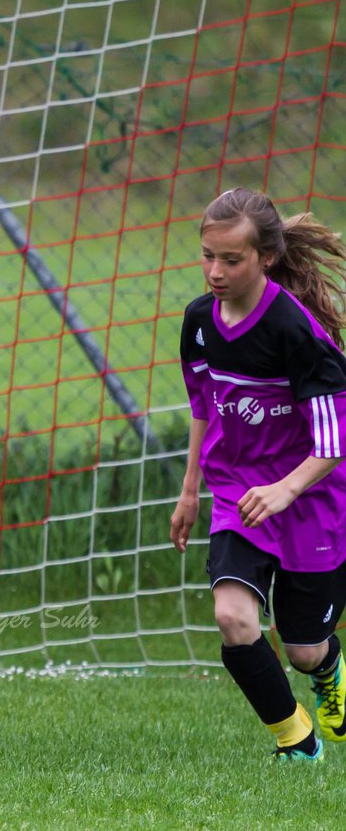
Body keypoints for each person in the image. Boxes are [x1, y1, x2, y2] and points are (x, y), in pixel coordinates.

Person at [171, 186, 346, 762]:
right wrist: (191, 488)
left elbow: (333, 442)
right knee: (232, 616)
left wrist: (284, 490)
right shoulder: (199, 323)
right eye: (207, 256)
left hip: (310, 494)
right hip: (237, 491)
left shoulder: (297, 334)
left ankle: (328, 673)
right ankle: (296, 741)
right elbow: (204, 406)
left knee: (303, 650)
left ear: (265, 258)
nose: (215, 272)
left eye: (231, 259)